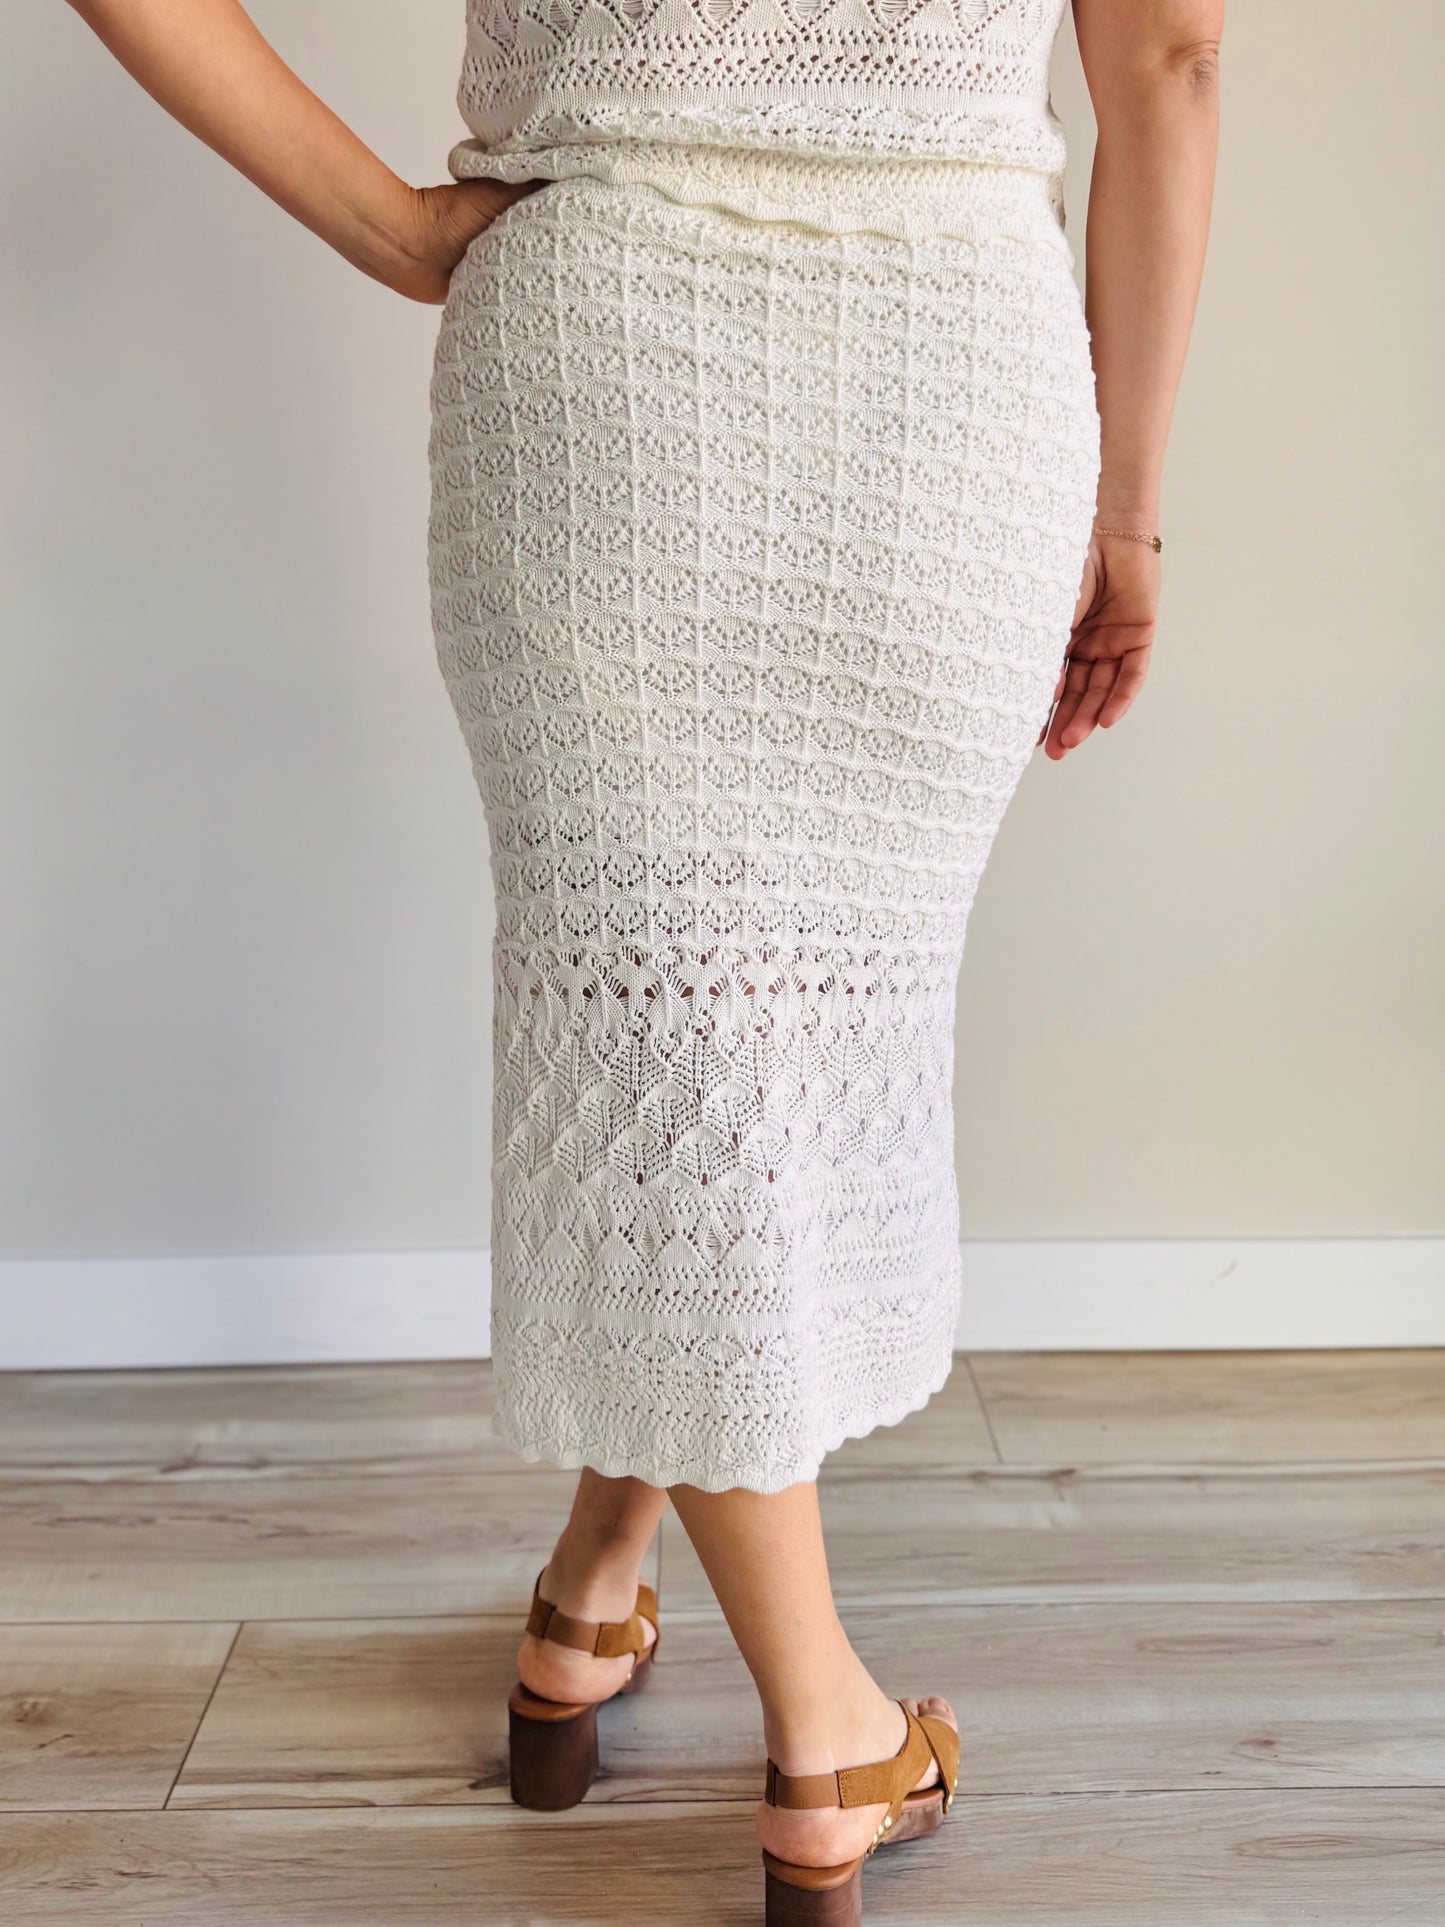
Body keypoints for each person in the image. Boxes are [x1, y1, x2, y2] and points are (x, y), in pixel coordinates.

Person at [65, 0, 1222, 1915]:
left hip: (603, 349)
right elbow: (1167, 58)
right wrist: (1129, 508)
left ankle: (594, 1589)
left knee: (686, 1045)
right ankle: (825, 1731)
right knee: (699, 1042)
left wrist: (389, 227)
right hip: (949, 381)